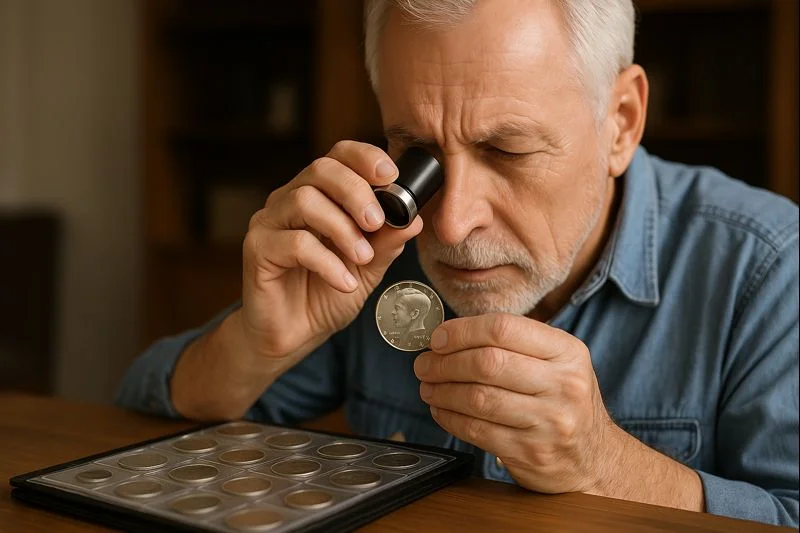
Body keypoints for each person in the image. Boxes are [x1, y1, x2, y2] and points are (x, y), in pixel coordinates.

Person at [116, 0, 799, 526]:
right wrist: (254, 344)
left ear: (620, 120)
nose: (448, 221)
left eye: (507, 151)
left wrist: (606, 463)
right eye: (419, 153)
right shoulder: (379, 248)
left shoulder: (768, 267)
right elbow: (140, 412)